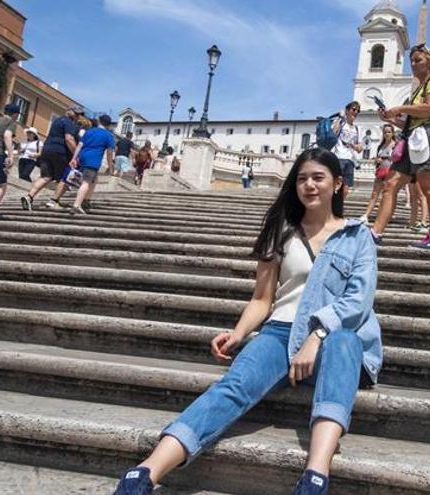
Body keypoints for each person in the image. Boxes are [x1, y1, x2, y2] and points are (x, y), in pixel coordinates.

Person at [112, 148, 381, 495]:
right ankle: (145, 473)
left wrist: (315, 336)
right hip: (281, 331)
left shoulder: (357, 236)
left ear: (338, 184)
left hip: (334, 337)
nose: (309, 185)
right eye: (302, 179)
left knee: (346, 341)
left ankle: (315, 476)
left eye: (318, 178)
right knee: (233, 385)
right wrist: (238, 334)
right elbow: (262, 299)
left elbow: (358, 302)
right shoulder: (281, 231)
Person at [373, 44, 430, 249]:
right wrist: (391, 118)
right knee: (390, 184)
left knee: (429, 188)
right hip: (412, 137)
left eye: (418, 60)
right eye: (412, 61)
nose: (413, 64)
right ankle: (375, 232)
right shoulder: (419, 89)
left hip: (428, 137)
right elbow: (411, 121)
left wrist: (400, 108)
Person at [21, 106, 83, 211]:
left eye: (78, 115)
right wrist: (76, 155)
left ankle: (29, 197)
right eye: (76, 114)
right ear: (68, 111)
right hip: (59, 152)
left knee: (46, 176)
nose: (77, 116)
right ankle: (54, 201)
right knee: (66, 177)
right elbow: (69, 138)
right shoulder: (68, 122)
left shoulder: (57, 121)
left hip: (46, 150)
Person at [68, 114, 116, 215]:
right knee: (86, 182)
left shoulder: (89, 131)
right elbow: (110, 153)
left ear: (99, 122)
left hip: (82, 157)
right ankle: (76, 205)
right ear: (108, 125)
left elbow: (79, 145)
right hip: (93, 160)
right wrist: (110, 167)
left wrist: (74, 158)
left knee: (94, 179)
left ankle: (86, 200)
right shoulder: (108, 135)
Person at [362, 124, 396, 223]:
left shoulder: (395, 145)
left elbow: (397, 158)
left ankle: (387, 215)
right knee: (375, 193)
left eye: (389, 132)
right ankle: (366, 215)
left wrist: (386, 159)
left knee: (388, 195)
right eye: (385, 132)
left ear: (392, 133)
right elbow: (378, 157)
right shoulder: (381, 146)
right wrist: (377, 160)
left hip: (390, 172)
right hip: (381, 171)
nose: (387, 134)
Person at [331, 101, 363, 199]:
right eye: (353, 109)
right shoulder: (341, 123)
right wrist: (340, 118)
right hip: (338, 158)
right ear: (347, 111)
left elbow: (360, 148)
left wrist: (355, 146)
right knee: (334, 185)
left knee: (345, 189)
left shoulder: (357, 129)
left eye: (358, 110)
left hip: (350, 160)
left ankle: (338, 207)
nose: (356, 112)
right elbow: (333, 133)